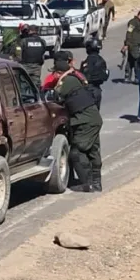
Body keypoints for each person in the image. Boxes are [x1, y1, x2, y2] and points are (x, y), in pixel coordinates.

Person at [51, 51, 103, 192]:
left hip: (85, 120)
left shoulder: (67, 80)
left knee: (76, 152)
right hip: (92, 118)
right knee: (93, 150)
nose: (54, 75)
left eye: (55, 73)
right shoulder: (77, 76)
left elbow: (55, 96)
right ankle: (96, 183)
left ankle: (87, 184)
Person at [79, 36, 110, 110]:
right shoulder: (101, 60)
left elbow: (82, 76)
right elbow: (104, 77)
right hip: (95, 90)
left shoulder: (87, 62)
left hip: (86, 90)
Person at [121, 9, 140, 84]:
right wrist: (126, 44)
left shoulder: (139, 22)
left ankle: (127, 77)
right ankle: (137, 77)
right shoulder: (133, 22)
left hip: (135, 44)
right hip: (133, 44)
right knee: (137, 60)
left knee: (130, 60)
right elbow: (129, 32)